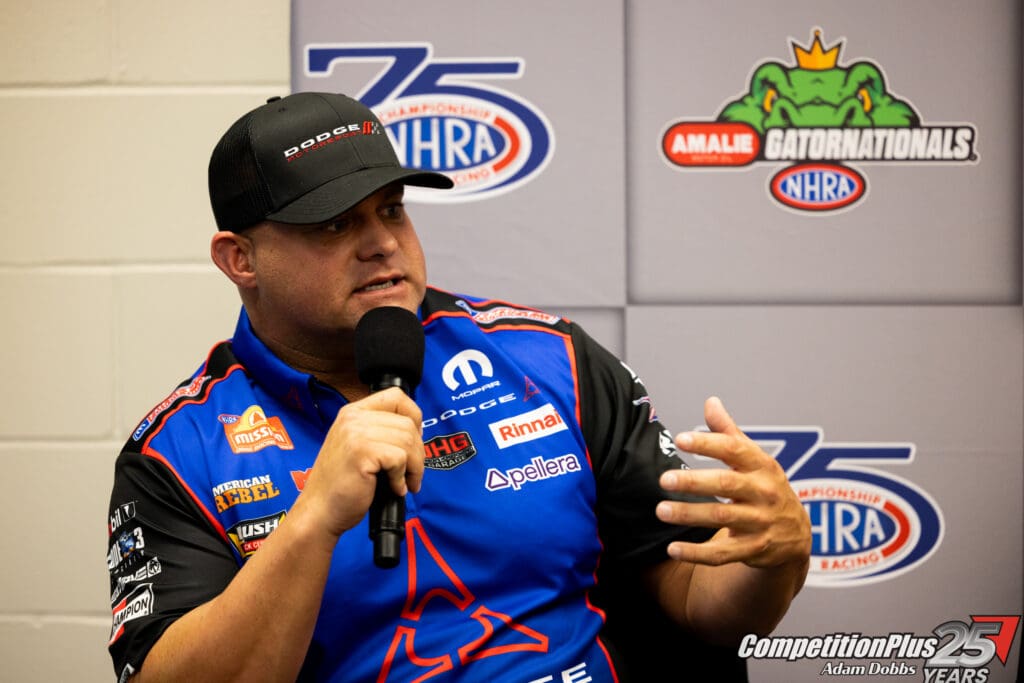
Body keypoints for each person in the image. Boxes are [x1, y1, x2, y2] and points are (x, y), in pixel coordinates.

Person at [105, 91, 811, 683]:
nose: (382, 242)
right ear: (240, 258)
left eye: (391, 209)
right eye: (335, 223)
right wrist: (312, 520)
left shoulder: (548, 358)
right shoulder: (176, 453)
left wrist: (775, 560)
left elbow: (696, 604)